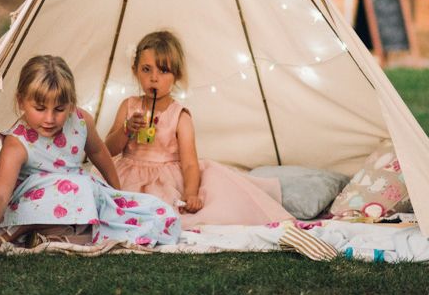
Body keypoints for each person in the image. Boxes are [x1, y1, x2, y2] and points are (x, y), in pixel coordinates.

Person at [0, 55, 180, 267]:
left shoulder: (80, 121)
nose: (50, 119)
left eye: (60, 109)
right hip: (24, 201)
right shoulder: (17, 143)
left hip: (74, 196)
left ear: (71, 104)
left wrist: (117, 194)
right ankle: (10, 233)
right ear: (21, 101)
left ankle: (52, 235)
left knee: (160, 213)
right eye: (40, 109)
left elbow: (100, 153)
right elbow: (0, 195)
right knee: (79, 188)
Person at [105, 30, 293, 229]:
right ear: (135, 71)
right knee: (114, 207)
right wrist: (126, 130)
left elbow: (189, 164)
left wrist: (191, 193)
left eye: (163, 71)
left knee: (162, 214)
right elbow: (108, 149)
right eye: (146, 69)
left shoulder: (180, 115)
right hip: (129, 176)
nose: (154, 78)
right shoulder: (128, 106)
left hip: (164, 182)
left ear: (176, 75)